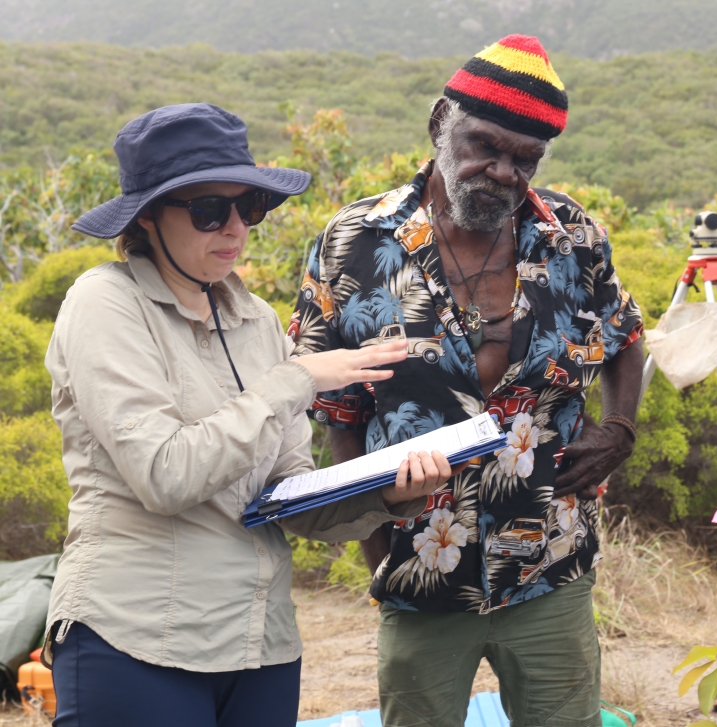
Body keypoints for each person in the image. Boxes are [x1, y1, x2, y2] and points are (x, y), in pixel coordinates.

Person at [44, 103, 458, 727]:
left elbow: (284, 496)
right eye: (211, 210)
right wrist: (296, 378)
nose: (235, 228)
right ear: (149, 217)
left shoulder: (256, 320)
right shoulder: (106, 304)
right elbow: (164, 475)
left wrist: (392, 491)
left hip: (259, 645)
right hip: (136, 639)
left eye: (251, 207)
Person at [288, 35, 644, 727]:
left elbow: (626, 335)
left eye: (525, 158)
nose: (503, 171)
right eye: (485, 145)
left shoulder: (573, 236)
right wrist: (377, 547)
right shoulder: (354, 241)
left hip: (550, 565)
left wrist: (620, 427)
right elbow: (336, 409)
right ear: (439, 124)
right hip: (419, 572)